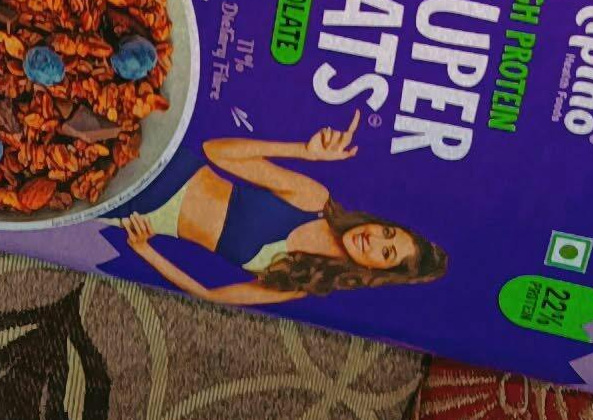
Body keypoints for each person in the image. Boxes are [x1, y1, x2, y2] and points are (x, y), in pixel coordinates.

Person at [117, 110, 447, 305]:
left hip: (142, 217)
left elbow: (211, 295)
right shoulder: (315, 200)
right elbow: (214, 151)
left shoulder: (301, 283)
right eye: (387, 232)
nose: (373, 238)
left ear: (379, 272)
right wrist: (303, 151)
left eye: (386, 252)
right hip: (170, 168)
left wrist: (145, 250)